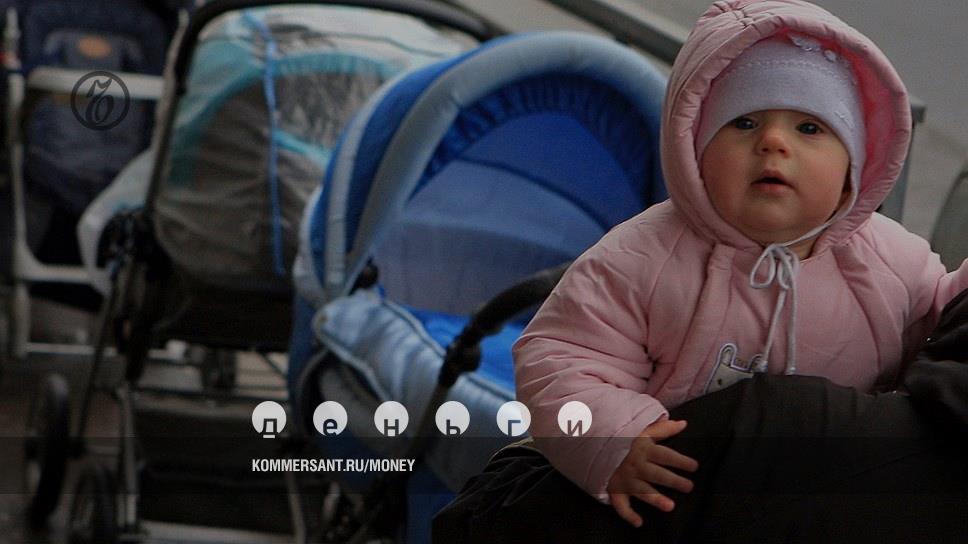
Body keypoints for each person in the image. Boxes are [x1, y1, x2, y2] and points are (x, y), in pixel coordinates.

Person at [512, 0, 968, 529]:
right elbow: (560, 358)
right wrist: (616, 440)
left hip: (824, 503)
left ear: (854, 170)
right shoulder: (639, 258)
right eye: (745, 122)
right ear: (693, 152)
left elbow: (950, 316)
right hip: (677, 501)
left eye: (810, 128)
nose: (773, 142)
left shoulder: (892, 262)